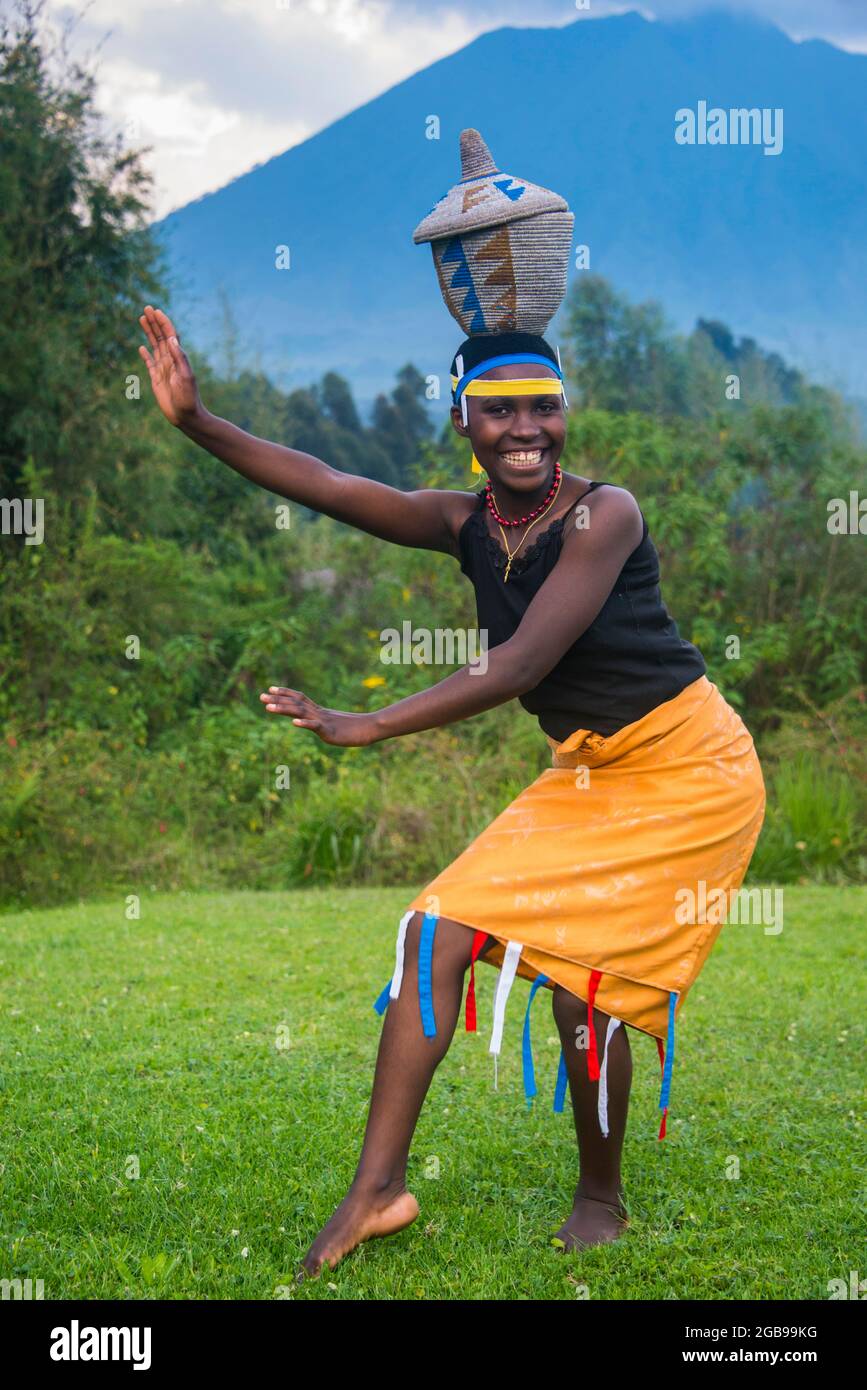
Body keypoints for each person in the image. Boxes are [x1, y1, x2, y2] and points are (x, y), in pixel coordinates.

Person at [137, 130, 766, 1277]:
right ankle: (376, 1191)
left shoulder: (604, 514)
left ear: (564, 414)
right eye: (501, 412)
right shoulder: (461, 521)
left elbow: (519, 665)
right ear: (464, 426)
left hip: (688, 770)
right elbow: (332, 486)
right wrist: (197, 425)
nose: (528, 430)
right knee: (435, 932)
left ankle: (602, 1194)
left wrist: (365, 721)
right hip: (587, 771)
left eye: (545, 408)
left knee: (587, 993)